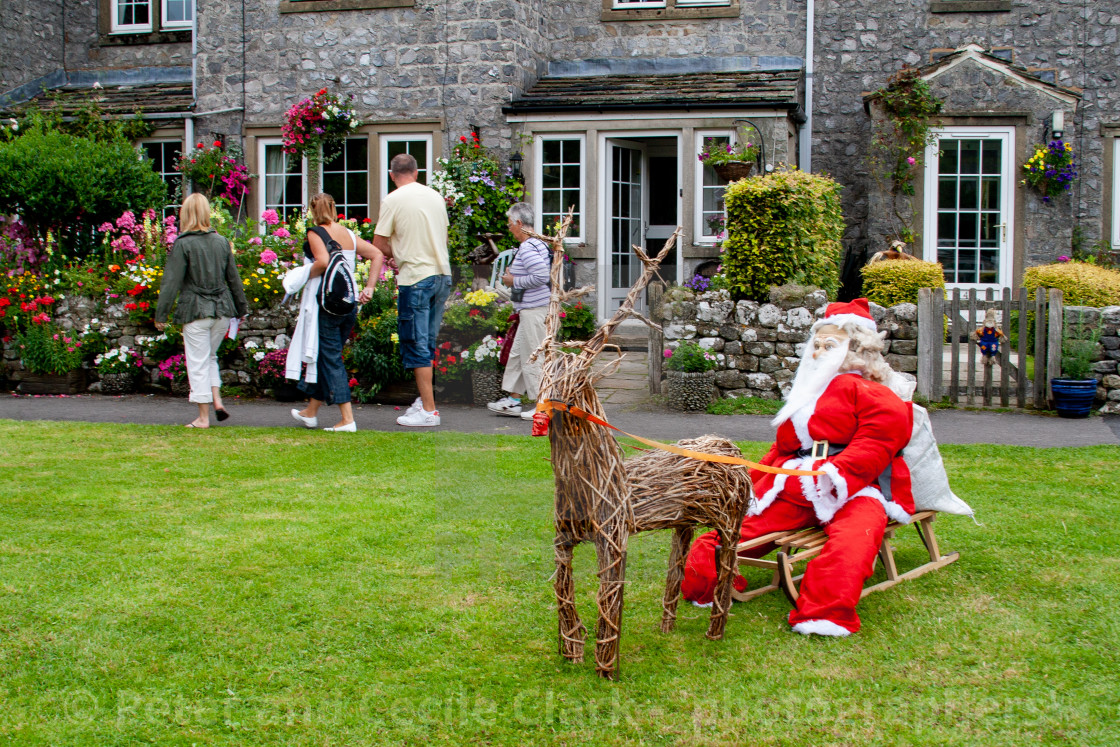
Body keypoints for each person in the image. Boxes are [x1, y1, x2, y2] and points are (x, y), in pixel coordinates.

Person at [681, 299, 917, 637]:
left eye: (829, 346)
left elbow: (879, 441)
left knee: (854, 540)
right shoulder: (806, 393)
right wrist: (750, 480)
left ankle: (826, 612)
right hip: (798, 483)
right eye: (816, 345)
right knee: (737, 529)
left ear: (854, 349)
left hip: (857, 487)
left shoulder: (873, 393)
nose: (819, 352)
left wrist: (836, 472)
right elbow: (783, 447)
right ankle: (706, 584)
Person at [368, 153, 452, 427]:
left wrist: (397, 254)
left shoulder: (393, 199)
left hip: (415, 277)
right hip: (441, 276)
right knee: (426, 343)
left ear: (392, 176)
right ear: (417, 173)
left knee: (416, 345)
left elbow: (378, 241)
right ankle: (423, 403)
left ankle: (429, 411)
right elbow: (442, 235)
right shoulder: (435, 197)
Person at [289, 193, 384, 432]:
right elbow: (377, 254)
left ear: (312, 210)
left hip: (325, 302)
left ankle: (347, 419)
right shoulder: (348, 234)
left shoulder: (315, 233)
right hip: (347, 302)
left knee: (330, 357)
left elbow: (321, 262)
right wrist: (370, 287)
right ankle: (311, 412)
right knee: (327, 355)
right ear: (333, 208)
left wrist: (298, 277)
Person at [154, 193, 249, 428]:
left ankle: (203, 418)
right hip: (222, 311)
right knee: (210, 357)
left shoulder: (183, 243)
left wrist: (161, 315)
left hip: (196, 311)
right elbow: (233, 279)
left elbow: (171, 283)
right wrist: (242, 308)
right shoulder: (221, 241)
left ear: (185, 214)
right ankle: (217, 401)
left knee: (197, 362)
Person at [486, 202, 551, 421]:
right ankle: (513, 401)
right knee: (518, 355)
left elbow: (541, 276)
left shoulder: (528, 247)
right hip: (531, 310)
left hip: (535, 311)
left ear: (519, 223)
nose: (508, 226)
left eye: (510, 223)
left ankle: (542, 406)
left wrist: (513, 280)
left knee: (533, 357)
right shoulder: (538, 243)